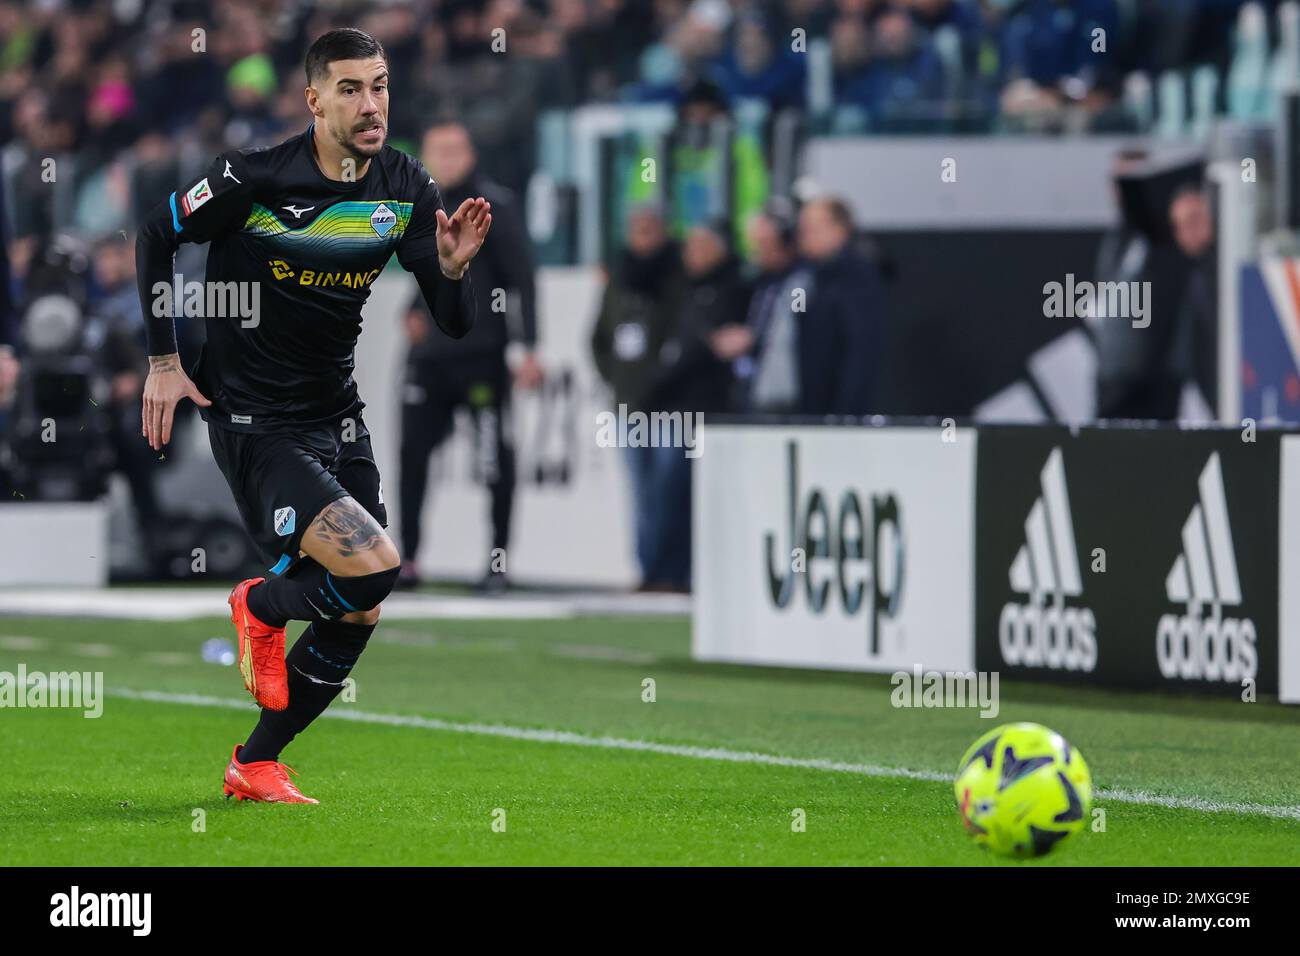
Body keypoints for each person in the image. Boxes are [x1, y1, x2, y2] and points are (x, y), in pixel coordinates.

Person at [135, 29, 490, 804]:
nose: (373, 105)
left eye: (383, 86)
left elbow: (453, 321)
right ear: (315, 100)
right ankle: (259, 603)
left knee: (361, 604)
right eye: (354, 89)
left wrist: (455, 272)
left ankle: (254, 763)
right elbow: (157, 234)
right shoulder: (253, 177)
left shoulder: (403, 186)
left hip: (337, 413)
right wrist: (163, 362)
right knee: (379, 568)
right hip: (256, 421)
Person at [398, 119, 541, 593]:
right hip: (429, 358)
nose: (447, 158)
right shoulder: (420, 204)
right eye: (437, 149)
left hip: (481, 355)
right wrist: (411, 310)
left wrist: (529, 348)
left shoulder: (492, 206)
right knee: (411, 456)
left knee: (493, 460)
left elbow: (522, 279)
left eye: (456, 149)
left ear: (471, 154)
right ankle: (408, 561)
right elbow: (428, 272)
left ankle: (497, 564)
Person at [591, 206, 683, 589]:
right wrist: (617, 379)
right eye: (637, 229)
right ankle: (647, 570)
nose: (643, 237)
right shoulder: (620, 279)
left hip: (669, 406)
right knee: (640, 493)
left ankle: (672, 571)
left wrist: (661, 376)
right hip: (628, 406)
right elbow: (598, 339)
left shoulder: (678, 278)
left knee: (669, 490)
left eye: (650, 229)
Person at [795, 197, 885, 416]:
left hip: (837, 411)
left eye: (812, 228)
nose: (804, 237)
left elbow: (860, 350)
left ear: (840, 229)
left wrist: (844, 415)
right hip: (810, 407)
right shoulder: (809, 275)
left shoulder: (857, 276)